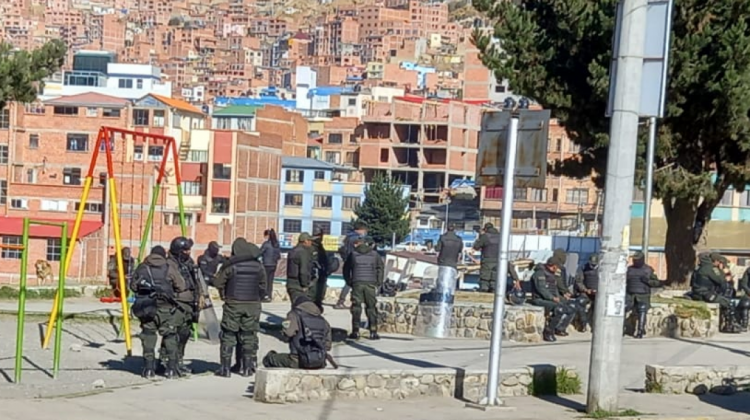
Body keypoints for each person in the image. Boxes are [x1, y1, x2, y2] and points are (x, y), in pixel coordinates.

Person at [129, 246, 192, 379]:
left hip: (146, 308)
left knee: (148, 336)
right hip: (166, 308)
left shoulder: (142, 267)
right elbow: (181, 285)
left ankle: (148, 369)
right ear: (164, 255)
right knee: (170, 336)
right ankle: (171, 369)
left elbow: (133, 286)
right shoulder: (169, 267)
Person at [212, 238, 266, 378]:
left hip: (233, 304)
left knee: (229, 334)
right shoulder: (258, 266)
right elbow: (264, 287)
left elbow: (218, 283)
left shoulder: (231, 265)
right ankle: (247, 368)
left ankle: (225, 369)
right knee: (249, 335)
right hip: (253, 305)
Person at [262, 295, 332, 369]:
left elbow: (288, 333)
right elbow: (327, 346)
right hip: (320, 362)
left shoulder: (294, 314)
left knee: (270, 358)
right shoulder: (323, 320)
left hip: (299, 360)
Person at [164, 236, 201, 376]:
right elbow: (175, 284)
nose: (188, 252)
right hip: (176, 304)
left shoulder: (188, 263)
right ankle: (167, 362)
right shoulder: (170, 264)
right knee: (171, 334)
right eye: (185, 250)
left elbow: (196, 280)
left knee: (184, 333)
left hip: (190, 304)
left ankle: (178, 360)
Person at [344, 235, 384, 340]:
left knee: (356, 307)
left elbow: (346, 269)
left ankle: (355, 331)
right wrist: (378, 282)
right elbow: (380, 268)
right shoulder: (375, 255)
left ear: (356, 244)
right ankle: (373, 331)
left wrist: (349, 281)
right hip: (371, 283)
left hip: (357, 283)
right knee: (371, 307)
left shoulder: (353, 254)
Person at [692, 252, 741, 333]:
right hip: (705, 294)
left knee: (724, 300)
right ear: (716, 261)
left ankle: (728, 323)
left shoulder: (700, 267)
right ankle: (729, 326)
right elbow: (721, 280)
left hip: (699, 293)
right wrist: (722, 270)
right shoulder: (710, 268)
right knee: (726, 302)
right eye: (719, 262)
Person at [530, 257, 576, 342]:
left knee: (572, 306)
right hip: (540, 300)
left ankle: (560, 328)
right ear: (554, 266)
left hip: (552, 299)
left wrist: (562, 296)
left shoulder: (552, 274)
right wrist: (552, 298)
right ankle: (548, 331)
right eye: (557, 267)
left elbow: (554, 289)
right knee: (560, 309)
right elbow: (542, 289)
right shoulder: (539, 274)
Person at [625, 252, 664, 339]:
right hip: (630, 295)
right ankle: (623, 329)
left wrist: (647, 281)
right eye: (634, 259)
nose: (635, 261)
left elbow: (657, 283)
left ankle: (640, 330)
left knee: (642, 309)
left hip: (643, 295)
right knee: (624, 308)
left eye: (637, 259)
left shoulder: (648, 270)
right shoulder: (629, 269)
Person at [335, 221, 368, 309]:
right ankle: (343, 301)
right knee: (353, 282)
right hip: (355, 263)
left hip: (347, 261)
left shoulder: (347, 237)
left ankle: (342, 301)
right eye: (364, 230)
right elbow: (361, 250)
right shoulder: (357, 238)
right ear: (361, 230)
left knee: (350, 282)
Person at [311, 226, 338, 310]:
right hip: (314, 277)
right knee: (314, 299)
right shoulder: (313, 247)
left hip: (320, 275)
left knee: (318, 299)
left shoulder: (319, 246)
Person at [574, 254, 600, 332]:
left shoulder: (602, 269)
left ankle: (595, 325)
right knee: (580, 302)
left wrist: (598, 291)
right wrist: (585, 289)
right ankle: (583, 323)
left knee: (599, 305)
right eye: (591, 264)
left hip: (598, 293)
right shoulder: (583, 268)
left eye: (594, 264)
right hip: (586, 292)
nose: (593, 266)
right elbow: (579, 281)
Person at [286, 232, 314, 304]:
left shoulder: (293, 251)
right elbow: (303, 271)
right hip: (298, 285)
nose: (311, 243)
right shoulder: (302, 252)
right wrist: (304, 285)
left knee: (295, 306)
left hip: (290, 283)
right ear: (305, 241)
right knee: (301, 307)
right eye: (310, 240)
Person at [260, 229, 281, 302]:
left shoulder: (266, 244)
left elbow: (260, 252)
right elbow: (278, 255)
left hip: (266, 264)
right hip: (274, 264)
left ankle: (265, 295)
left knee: (265, 280)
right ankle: (269, 295)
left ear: (267, 235)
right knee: (270, 281)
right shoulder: (276, 244)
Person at [737, 264, 750, 331]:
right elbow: (744, 283)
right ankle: (744, 324)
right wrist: (748, 291)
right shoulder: (748, 271)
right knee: (745, 303)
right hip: (749, 294)